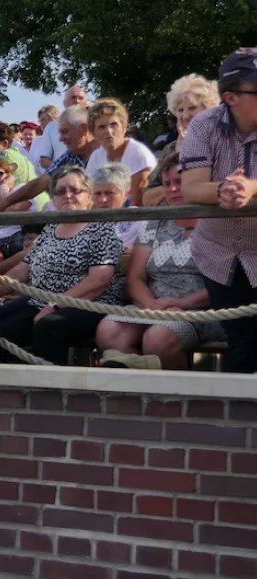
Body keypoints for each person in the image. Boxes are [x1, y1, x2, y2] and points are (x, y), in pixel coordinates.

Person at [97, 152, 224, 369]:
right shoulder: (153, 223)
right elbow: (136, 278)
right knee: (108, 331)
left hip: (204, 310)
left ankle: (178, 401)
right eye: (167, 183)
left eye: (180, 181)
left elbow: (224, 282)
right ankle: (138, 397)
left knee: (158, 338)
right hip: (155, 306)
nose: (173, 189)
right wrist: (152, 306)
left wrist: (181, 304)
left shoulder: (218, 222)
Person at [0, 165, 124, 365]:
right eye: (61, 191)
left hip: (89, 304)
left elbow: (99, 280)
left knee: (48, 327)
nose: (68, 195)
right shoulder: (51, 228)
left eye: (75, 190)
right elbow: (23, 269)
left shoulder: (101, 227)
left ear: (88, 195)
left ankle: (47, 390)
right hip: (41, 300)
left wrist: (55, 305)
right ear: (54, 199)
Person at [181, 47, 257, 372]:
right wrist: (223, 190)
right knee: (243, 346)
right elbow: (191, 188)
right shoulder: (203, 125)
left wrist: (250, 188)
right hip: (219, 254)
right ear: (230, 97)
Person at [0, 105, 99, 212]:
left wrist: (2, 203)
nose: (61, 139)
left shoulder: (106, 153)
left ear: (83, 129)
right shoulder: (71, 155)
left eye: (64, 132)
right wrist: (3, 204)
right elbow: (41, 182)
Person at [143, 74, 221, 206]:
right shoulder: (170, 149)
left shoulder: (221, 143)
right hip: (169, 222)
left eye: (192, 108)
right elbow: (147, 198)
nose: (185, 115)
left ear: (209, 110)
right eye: (180, 110)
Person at [85, 98, 157, 206]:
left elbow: (137, 203)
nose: (108, 131)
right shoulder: (96, 157)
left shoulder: (139, 154)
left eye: (113, 125)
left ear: (124, 128)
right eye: (101, 127)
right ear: (93, 134)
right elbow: (89, 196)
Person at [0, 157, 40, 257]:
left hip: (20, 240)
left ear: (8, 175)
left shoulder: (21, 188)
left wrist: (3, 188)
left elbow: (13, 211)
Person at [31, 86, 90, 172]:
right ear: (64, 103)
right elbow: (44, 160)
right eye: (73, 97)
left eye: (80, 98)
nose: (77, 101)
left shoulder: (95, 124)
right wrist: (63, 174)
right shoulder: (51, 127)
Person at [92, 162, 143, 248]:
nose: (103, 200)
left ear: (126, 194)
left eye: (109, 193)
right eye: (97, 193)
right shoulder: (85, 225)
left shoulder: (139, 221)